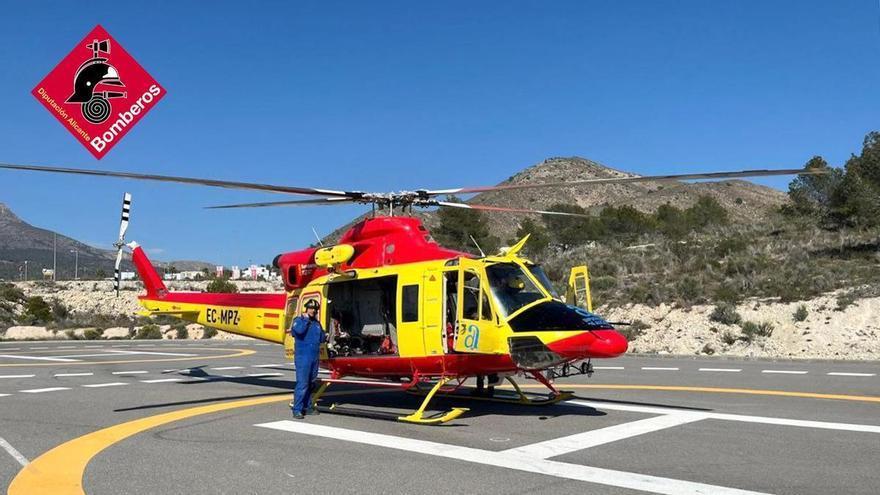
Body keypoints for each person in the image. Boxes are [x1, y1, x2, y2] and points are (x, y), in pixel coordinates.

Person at [290, 299, 326, 419]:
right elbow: (299, 331)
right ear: (306, 309)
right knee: (303, 384)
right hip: (303, 357)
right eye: (311, 308)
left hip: (314, 357)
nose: (313, 311)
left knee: (311, 384)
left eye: (315, 309)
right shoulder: (299, 321)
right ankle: (297, 409)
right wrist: (305, 320)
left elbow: (321, 338)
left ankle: (308, 406)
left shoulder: (316, 323)